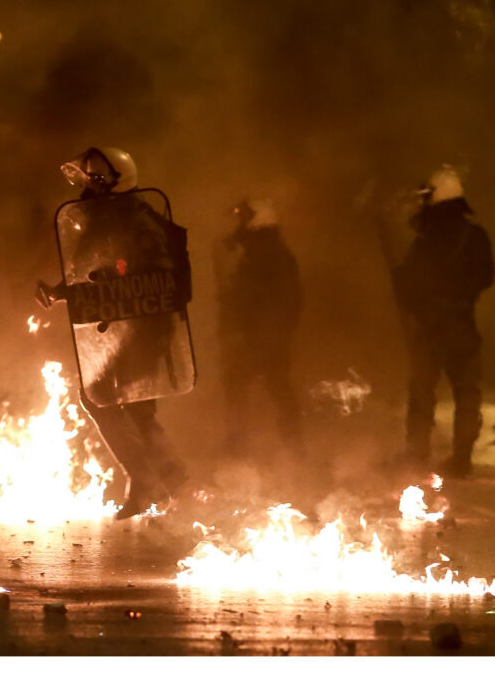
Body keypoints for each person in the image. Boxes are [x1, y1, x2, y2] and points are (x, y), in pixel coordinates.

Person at [36, 147, 191, 518]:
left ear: (119, 181)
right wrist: (61, 291)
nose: (89, 183)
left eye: (97, 177)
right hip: (123, 326)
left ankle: (162, 484)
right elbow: (91, 269)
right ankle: (168, 484)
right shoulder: (104, 219)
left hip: (146, 327)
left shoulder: (138, 220)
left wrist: (123, 279)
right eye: (88, 176)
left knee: (111, 397)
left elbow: (157, 273)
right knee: (128, 405)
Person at [392, 166, 495, 477]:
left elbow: (409, 283)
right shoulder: (475, 237)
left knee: (423, 392)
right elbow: (487, 276)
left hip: (432, 328)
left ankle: (416, 456)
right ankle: (462, 459)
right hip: (463, 326)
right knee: (466, 394)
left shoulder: (428, 240)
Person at [214, 199, 303, 454]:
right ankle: (292, 443)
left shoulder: (265, 252)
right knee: (274, 385)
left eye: (243, 221)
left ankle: (242, 444)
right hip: (265, 333)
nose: (238, 228)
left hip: (263, 335)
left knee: (247, 383)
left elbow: (256, 295)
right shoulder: (267, 249)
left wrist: (238, 314)